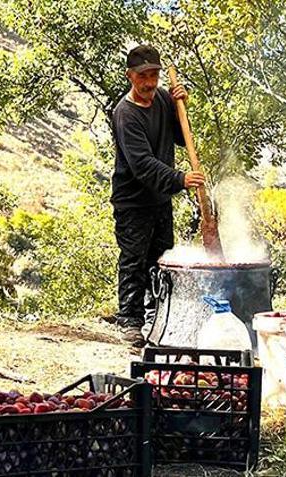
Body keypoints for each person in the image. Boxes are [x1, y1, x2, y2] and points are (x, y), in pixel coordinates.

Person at [111, 44, 205, 346]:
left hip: (161, 199)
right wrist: (181, 179)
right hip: (134, 202)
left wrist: (180, 110)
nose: (150, 82)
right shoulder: (125, 114)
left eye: (154, 75)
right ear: (130, 76)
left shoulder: (163, 98)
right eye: (143, 77)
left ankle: (159, 320)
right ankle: (129, 321)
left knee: (162, 261)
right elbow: (142, 164)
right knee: (134, 261)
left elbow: (179, 138)